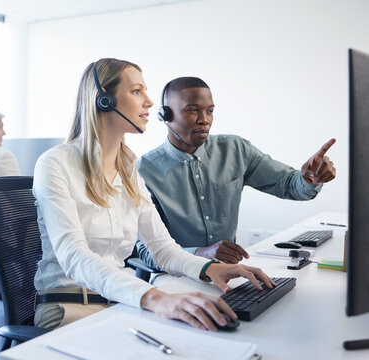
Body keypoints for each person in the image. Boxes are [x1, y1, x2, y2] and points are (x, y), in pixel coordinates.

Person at [32, 58, 275, 332]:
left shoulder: (129, 170)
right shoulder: (55, 164)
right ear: (104, 100)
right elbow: (74, 256)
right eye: (136, 91)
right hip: (71, 309)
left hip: (119, 304)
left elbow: (162, 249)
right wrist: (155, 298)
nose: (149, 102)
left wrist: (210, 268)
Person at [136, 77, 336, 266]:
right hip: (176, 278)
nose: (204, 120)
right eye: (192, 110)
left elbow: (288, 184)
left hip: (229, 272)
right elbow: (145, 251)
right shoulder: (144, 171)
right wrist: (199, 253)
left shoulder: (235, 149)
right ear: (165, 115)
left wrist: (310, 179)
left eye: (210, 111)